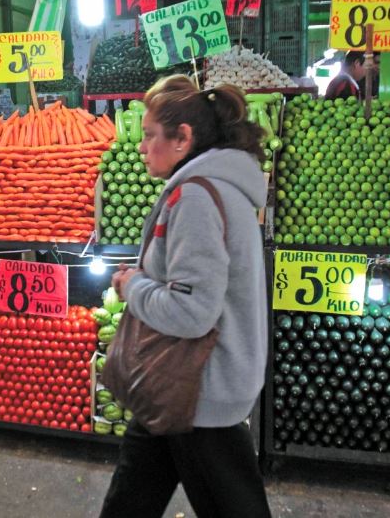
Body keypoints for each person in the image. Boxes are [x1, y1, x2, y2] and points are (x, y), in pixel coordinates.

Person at [100, 75, 272, 518]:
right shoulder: (214, 188)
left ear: (183, 139)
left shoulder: (196, 197)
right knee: (130, 498)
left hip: (199, 390)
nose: (141, 147)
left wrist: (132, 286)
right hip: (176, 383)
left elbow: (192, 311)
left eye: (151, 136)